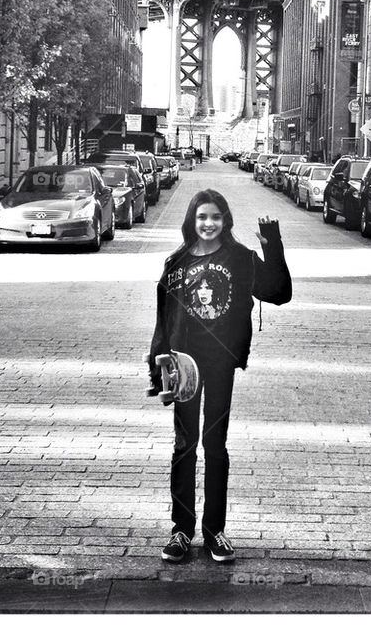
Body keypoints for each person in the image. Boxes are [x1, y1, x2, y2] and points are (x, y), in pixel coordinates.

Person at [149, 189, 292, 564]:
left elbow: (278, 292)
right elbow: (164, 319)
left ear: (225, 220)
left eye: (215, 217)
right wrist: (157, 366)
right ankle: (181, 530)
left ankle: (214, 531)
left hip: (220, 364)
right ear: (191, 221)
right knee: (184, 446)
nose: (208, 223)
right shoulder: (177, 263)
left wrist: (273, 246)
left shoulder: (240, 259)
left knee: (215, 446)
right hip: (185, 368)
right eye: (202, 217)